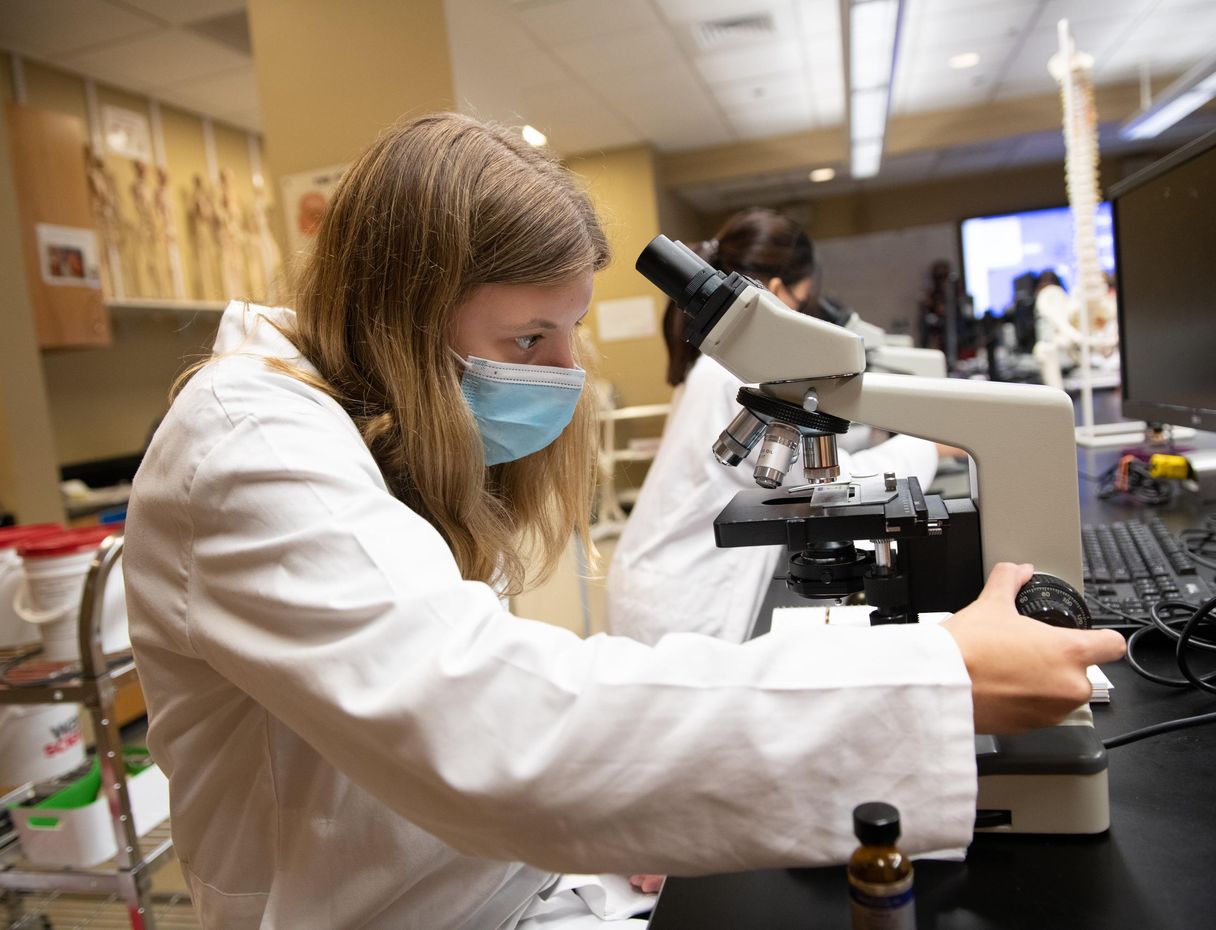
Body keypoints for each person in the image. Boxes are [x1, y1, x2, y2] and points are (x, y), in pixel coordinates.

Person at [124, 113, 1124, 930]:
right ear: (400, 313)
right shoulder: (248, 445)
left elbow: (486, 692)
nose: (566, 372)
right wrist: (935, 673)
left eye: (567, 330)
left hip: (506, 889)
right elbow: (494, 731)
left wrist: (627, 826)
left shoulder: (374, 429)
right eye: (528, 336)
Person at [607, 209, 942, 645]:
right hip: (684, 602)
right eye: (803, 303)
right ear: (778, 292)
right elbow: (833, 488)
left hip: (664, 582)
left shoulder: (719, 366)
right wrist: (933, 445)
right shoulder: (739, 375)